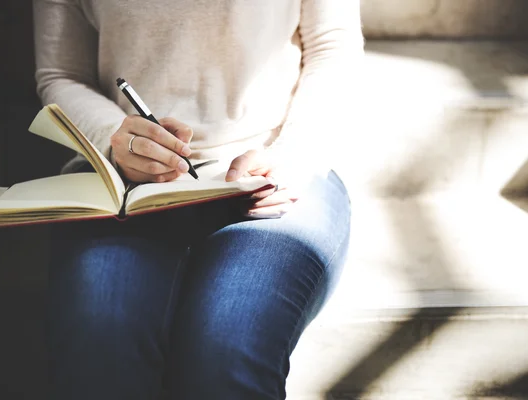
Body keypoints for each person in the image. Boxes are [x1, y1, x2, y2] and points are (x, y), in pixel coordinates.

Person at [33, 1, 363, 399]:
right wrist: (117, 138)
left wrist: (291, 153)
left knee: (226, 351)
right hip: (123, 180)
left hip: (271, 165)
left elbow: (333, 47)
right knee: (100, 336)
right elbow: (61, 74)